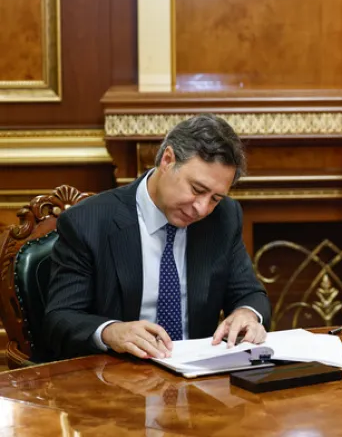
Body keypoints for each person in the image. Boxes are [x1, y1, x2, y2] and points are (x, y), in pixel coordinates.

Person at [44, 114, 271, 360]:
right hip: (118, 373)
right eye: (197, 190)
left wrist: (247, 314)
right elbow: (61, 318)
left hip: (199, 372)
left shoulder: (223, 217)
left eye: (215, 198)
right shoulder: (88, 222)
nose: (202, 208)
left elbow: (249, 293)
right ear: (167, 160)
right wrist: (111, 331)